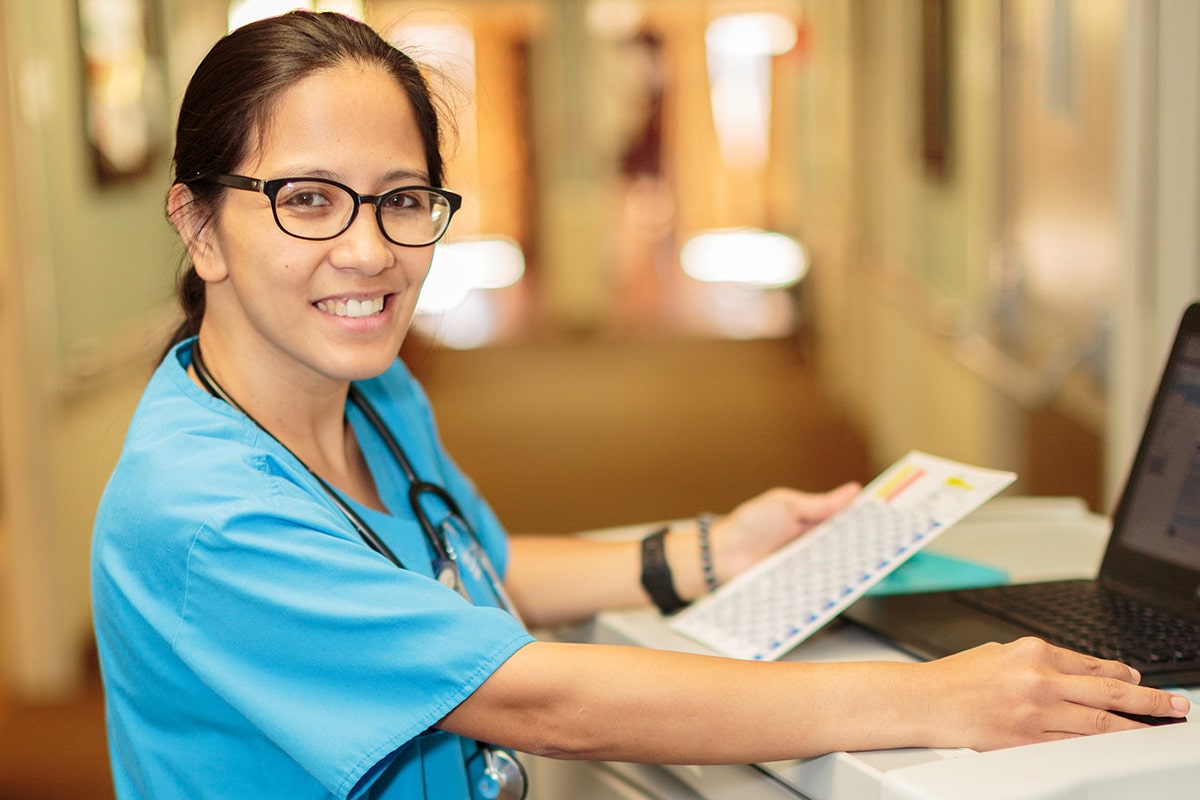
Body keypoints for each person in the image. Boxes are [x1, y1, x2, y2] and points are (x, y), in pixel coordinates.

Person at [90, 10, 1189, 800]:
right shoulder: (204, 510)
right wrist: (928, 698)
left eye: (403, 199)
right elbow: (533, 697)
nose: (371, 250)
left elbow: (467, 561)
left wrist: (712, 550)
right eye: (309, 201)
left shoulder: (365, 386)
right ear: (197, 225)